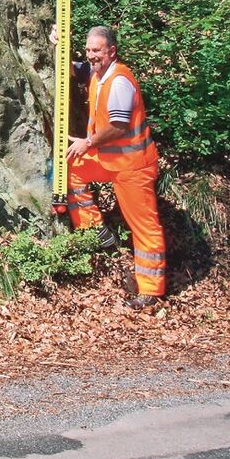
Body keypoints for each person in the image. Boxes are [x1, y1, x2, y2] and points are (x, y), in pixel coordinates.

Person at [60, 25, 166, 311]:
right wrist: (59, 44)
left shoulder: (119, 81)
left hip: (133, 167)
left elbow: (118, 127)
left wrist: (87, 142)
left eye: (97, 50)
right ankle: (97, 232)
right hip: (110, 161)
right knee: (71, 169)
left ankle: (150, 290)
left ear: (111, 51)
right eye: (88, 50)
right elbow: (73, 70)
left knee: (143, 226)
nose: (91, 55)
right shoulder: (98, 73)